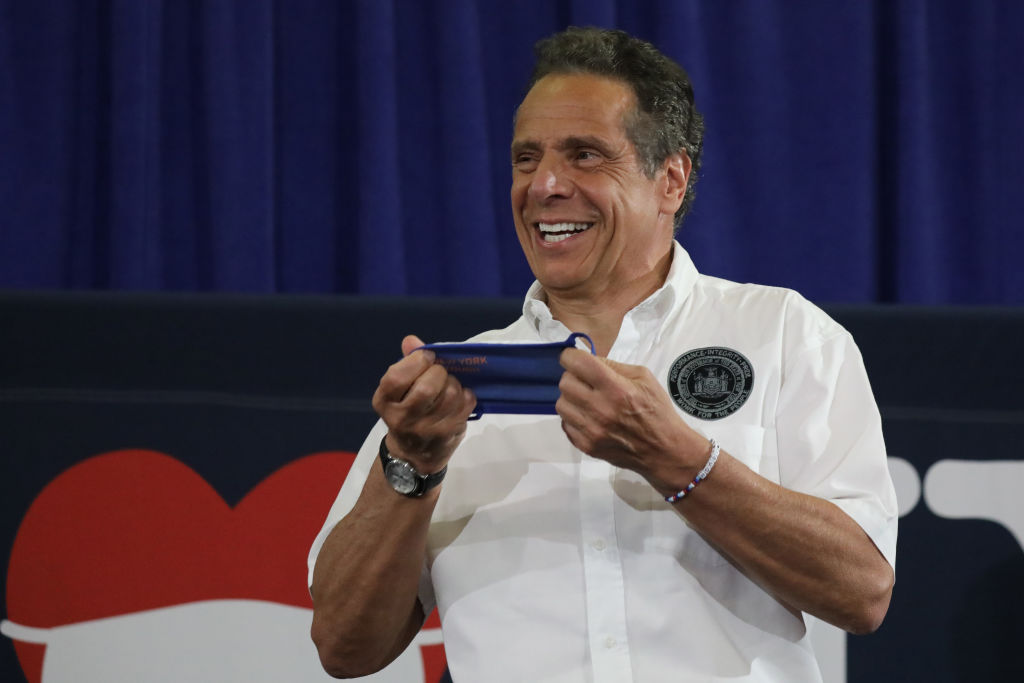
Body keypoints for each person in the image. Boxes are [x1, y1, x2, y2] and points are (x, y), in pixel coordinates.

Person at [308, 26, 897, 682]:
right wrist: (411, 464)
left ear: (670, 179)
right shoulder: (447, 389)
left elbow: (862, 590)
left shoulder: (786, 336)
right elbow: (342, 645)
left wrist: (677, 458)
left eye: (585, 155)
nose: (546, 184)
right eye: (526, 158)